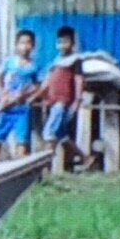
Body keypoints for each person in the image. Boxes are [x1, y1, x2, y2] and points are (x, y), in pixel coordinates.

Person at [32, 26, 95, 171]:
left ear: (72, 43)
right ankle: (86, 158)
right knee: (61, 135)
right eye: (59, 42)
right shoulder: (56, 61)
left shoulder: (75, 60)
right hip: (52, 101)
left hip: (62, 102)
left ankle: (46, 170)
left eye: (66, 42)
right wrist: (36, 95)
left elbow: (78, 81)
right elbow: (47, 82)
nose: (62, 45)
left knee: (49, 133)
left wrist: (77, 101)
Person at [0, 30, 41, 161]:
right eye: (22, 43)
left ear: (33, 46)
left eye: (28, 43)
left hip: (22, 109)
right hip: (5, 107)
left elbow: (37, 85)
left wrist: (24, 95)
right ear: (16, 45)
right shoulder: (9, 62)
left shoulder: (34, 66)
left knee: (22, 142)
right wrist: (2, 95)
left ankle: (21, 169)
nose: (25, 46)